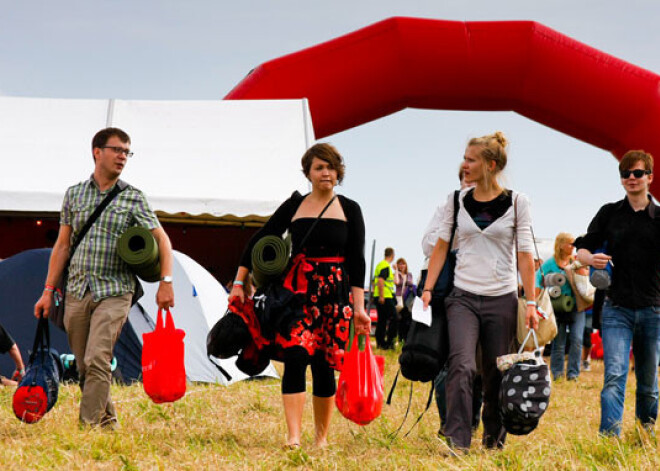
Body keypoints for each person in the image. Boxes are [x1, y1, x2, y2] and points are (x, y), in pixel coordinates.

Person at [229, 143, 369, 448]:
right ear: (308, 172)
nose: (326, 173)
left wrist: (359, 308)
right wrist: (239, 282)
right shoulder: (294, 205)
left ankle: (320, 440)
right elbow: (258, 240)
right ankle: (293, 438)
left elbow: (357, 262)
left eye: (331, 167)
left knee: (323, 364)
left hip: (335, 297)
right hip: (298, 295)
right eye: (319, 167)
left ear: (338, 172)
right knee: (295, 357)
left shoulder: (350, 208)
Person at [34, 127, 175, 428]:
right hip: (76, 289)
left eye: (127, 151)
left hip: (115, 289)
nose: (123, 156)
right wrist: (48, 290)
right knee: (85, 365)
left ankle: (87, 428)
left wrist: (166, 281)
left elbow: (162, 240)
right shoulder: (73, 194)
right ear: (97, 152)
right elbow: (62, 245)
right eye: (117, 149)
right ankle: (108, 423)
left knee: (98, 358)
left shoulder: (133, 197)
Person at [422, 131, 538, 451]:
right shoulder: (456, 200)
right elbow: (442, 245)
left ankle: (492, 441)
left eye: (471, 159)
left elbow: (525, 255)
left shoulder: (517, 202)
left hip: (501, 298)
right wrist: (428, 288)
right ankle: (458, 441)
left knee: (495, 374)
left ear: (490, 164)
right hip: (462, 296)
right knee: (461, 365)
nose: (464, 164)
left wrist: (530, 302)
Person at [576, 150, 660, 437]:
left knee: (648, 383)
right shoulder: (609, 213)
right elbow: (583, 247)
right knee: (614, 376)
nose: (631, 179)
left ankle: (645, 435)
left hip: (653, 309)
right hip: (616, 309)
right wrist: (589, 259)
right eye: (625, 174)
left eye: (637, 173)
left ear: (650, 177)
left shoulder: (659, 217)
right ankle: (609, 439)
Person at [422, 165, 482, 436]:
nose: (471, 185)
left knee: (477, 364)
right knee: (446, 360)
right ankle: (449, 424)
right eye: (466, 180)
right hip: (448, 293)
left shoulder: (497, 208)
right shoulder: (448, 206)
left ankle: (471, 420)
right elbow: (426, 244)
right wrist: (454, 229)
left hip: (484, 292)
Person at [537, 233, 584, 381]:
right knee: (559, 341)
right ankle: (557, 373)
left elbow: (586, 278)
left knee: (577, 339)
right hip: (558, 306)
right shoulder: (550, 264)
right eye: (570, 243)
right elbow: (538, 280)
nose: (573, 247)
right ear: (561, 245)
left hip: (577, 306)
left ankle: (573, 374)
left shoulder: (576, 262)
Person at [373, 247, 398, 350]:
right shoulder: (385, 266)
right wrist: (382, 296)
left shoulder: (380, 265)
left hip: (379, 296)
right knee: (395, 318)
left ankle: (380, 343)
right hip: (385, 296)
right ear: (392, 255)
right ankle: (390, 343)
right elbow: (380, 281)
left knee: (382, 320)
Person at [394, 257, 414, 342]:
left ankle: (406, 338)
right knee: (399, 319)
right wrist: (396, 271)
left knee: (407, 319)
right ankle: (399, 338)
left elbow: (411, 284)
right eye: (400, 264)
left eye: (403, 264)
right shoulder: (396, 274)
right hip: (399, 299)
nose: (401, 265)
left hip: (407, 299)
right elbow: (396, 282)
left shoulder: (409, 274)